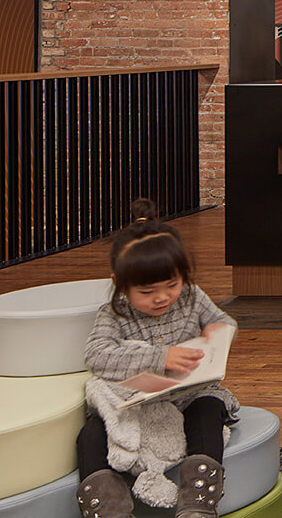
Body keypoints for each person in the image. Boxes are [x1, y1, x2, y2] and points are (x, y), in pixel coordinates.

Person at [76, 198, 239, 518]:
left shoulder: (192, 297)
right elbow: (96, 355)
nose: (162, 297)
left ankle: (197, 506)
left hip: (190, 394)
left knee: (209, 410)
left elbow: (225, 321)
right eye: (147, 292)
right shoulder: (114, 312)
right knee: (91, 435)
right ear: (120, 286)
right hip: (140, 405)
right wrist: (159, 356)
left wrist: (219, 329)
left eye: (171, 285)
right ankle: (109, 511)